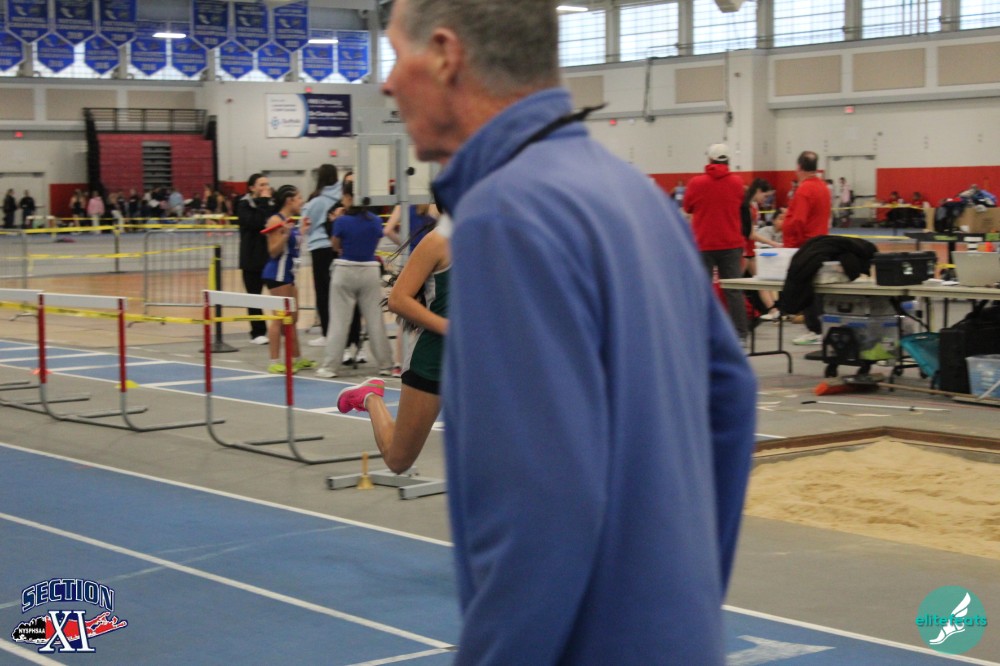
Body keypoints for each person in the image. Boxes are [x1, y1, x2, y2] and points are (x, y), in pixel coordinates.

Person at [382, 1, 757, 663]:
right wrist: (684, 597)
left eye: (395, 57)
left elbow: (543, 509)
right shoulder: (636, 195)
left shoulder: (503, 216)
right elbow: (730, 404)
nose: (387, 84)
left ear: (444, 55)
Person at [335, 225, 450, 473]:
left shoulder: (494, 240)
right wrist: (451, 328)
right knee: (398, 460)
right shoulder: (438, 241)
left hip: (478, 361)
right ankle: (370, 397)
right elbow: (398, 300)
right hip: (433, 360)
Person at [315, 179, 393, 378]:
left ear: (349, 197)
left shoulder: (341, 221)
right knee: (375, 321)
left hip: (345, 270)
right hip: (370, 270)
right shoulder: (375, 220)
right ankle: (386, 364)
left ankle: (330, 367)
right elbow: (376, 241)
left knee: (339, 321)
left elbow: (335, 246)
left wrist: (337, 221)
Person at [683, 142, 749, 341]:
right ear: (728, 160)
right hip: (731, 243)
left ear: (709, 160)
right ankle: (740, 334)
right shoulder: (737, 182)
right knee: (734, 291)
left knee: (701, 291)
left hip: (703, 243)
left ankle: (700, 333)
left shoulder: (696, 183)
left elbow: (687, 207)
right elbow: (742, 206)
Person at [260, 185, 315, 374]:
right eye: (299, 198)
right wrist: (284, 235)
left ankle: (296, 359)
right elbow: (273, 251)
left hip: (289, 274)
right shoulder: (275, 220)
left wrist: (302, 231)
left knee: (292, 318)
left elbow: (293, 248)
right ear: (289, 200)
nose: (302, 202)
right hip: (277, 274)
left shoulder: (291, 221)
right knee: (279, 318)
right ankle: (274, 361)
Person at [782, 150, 831, 344]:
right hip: (821, 243)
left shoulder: (804, 189)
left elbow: (798, 221)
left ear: (799, 167)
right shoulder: (823, 187)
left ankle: (815, 329)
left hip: (806, 245)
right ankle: (820, 327)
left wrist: (793, 243)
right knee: (815, 288)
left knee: (806, 288)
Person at [301, 164, 342, 347]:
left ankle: (327, 333)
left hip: (319, 247)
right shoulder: (342, 196)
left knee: (323, 292)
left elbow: (306, 223)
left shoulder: (316, 201)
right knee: (338, 292)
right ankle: (341, 334)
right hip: (337, 247)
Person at [236, 173, 274, 345]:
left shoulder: (271, 204)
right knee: (254, 296)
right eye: (261, 185)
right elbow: (256, 223)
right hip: (251, 258)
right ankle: (257, 332)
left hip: (270, 257)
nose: (266, 188)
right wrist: (264, 202)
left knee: (278, 293)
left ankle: (281, 327)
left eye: (267, 184)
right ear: (252, 188)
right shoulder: (244, 204)